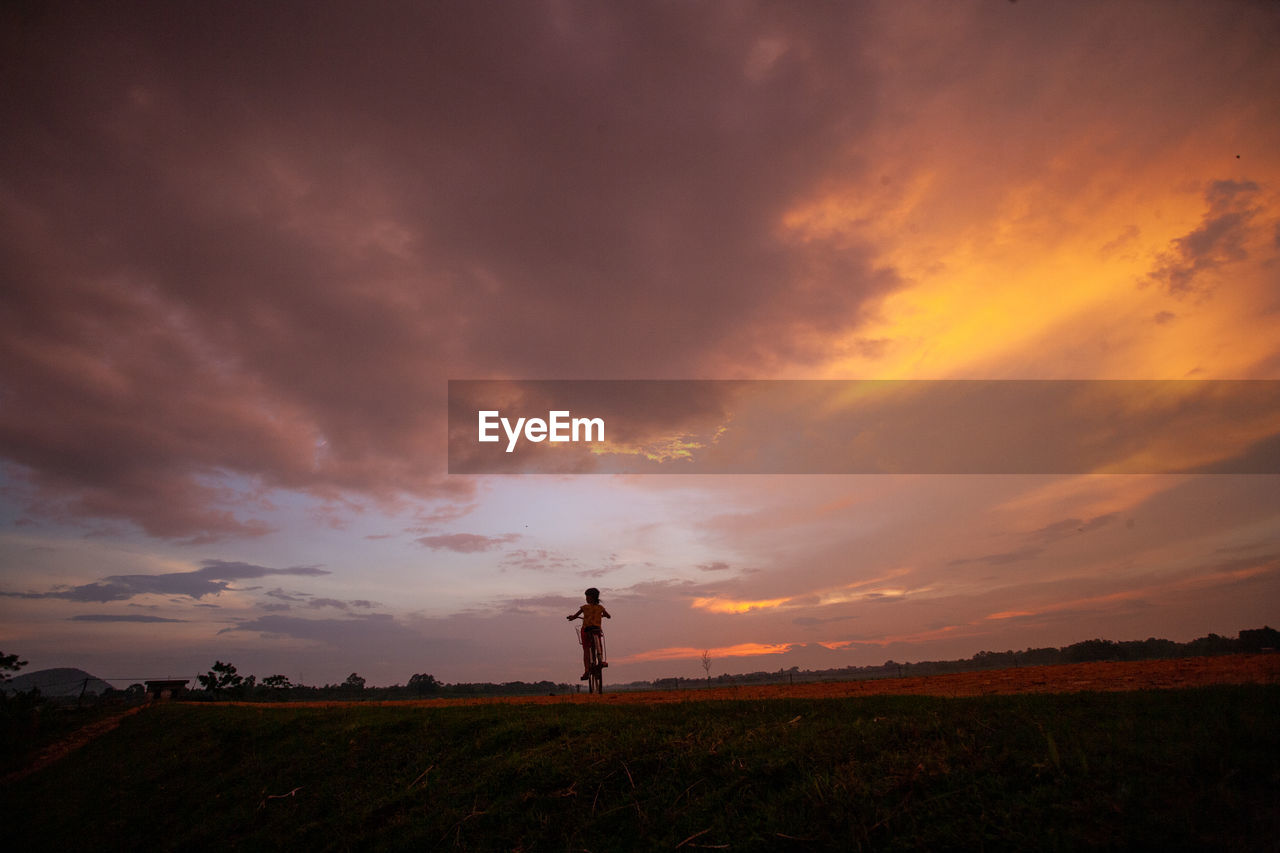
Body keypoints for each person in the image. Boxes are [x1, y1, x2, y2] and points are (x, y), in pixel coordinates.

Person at [567, 587, 611, 680]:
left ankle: (587, 670)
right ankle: (601, 660)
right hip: (596, 630)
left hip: (586, 630)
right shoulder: (600, 608)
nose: (586, 599)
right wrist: (605, 616)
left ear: (591, 597)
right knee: (599, 644)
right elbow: (608, 616)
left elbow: (575, 616)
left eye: (587, 597)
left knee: (586, 650)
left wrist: (571, 617)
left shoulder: (584, 607)